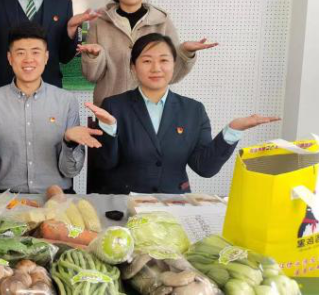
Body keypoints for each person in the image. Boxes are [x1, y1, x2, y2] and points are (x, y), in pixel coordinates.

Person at [85, 33, 279, 194]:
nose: (156, 68)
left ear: (174, 64)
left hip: (174, 205)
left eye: (164, 60)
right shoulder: (114, 106)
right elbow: (104, 164)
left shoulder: (193, 110)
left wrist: (233, 130)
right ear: (133, 67)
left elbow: (204, 167)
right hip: (124, 205)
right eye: (147, 61)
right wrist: (109, 129)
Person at [0, 23, 103, 193]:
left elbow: (70, 171)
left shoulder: (67, 101)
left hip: (56, 198)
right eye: (20, 53)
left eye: (35, 52)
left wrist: (70, 143)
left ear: (46, 57)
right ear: (10, 58)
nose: (28, 59)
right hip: (4, 199)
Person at [80, 0, 218, 107]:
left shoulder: (162, 21)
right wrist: (95, 56)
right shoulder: (99, 22)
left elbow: (171, 76)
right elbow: (92, 76)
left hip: (153, 108)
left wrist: (185, 52)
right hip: (109, 109)